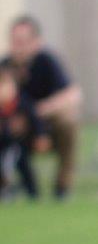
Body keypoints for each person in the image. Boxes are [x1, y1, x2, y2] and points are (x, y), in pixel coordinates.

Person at [1, 16, 81, 199]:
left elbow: (73, 93)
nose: (18, 46)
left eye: (23, 41)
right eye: (14, 41)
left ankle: (62, 188)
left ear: (36, 42)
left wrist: (38, 111)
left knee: (68, 120)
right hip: (14, 128)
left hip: (45, 122)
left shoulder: (47, 62)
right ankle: (6, 186)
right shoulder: (5, 66)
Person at [0, 62, 47, 200]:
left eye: (5, 85)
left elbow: (36, 120)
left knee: (22, 165)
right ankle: (5, 190)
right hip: (3, 146)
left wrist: (41, 136)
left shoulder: (23, 104)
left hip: (20, 145)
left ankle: (33, 192)